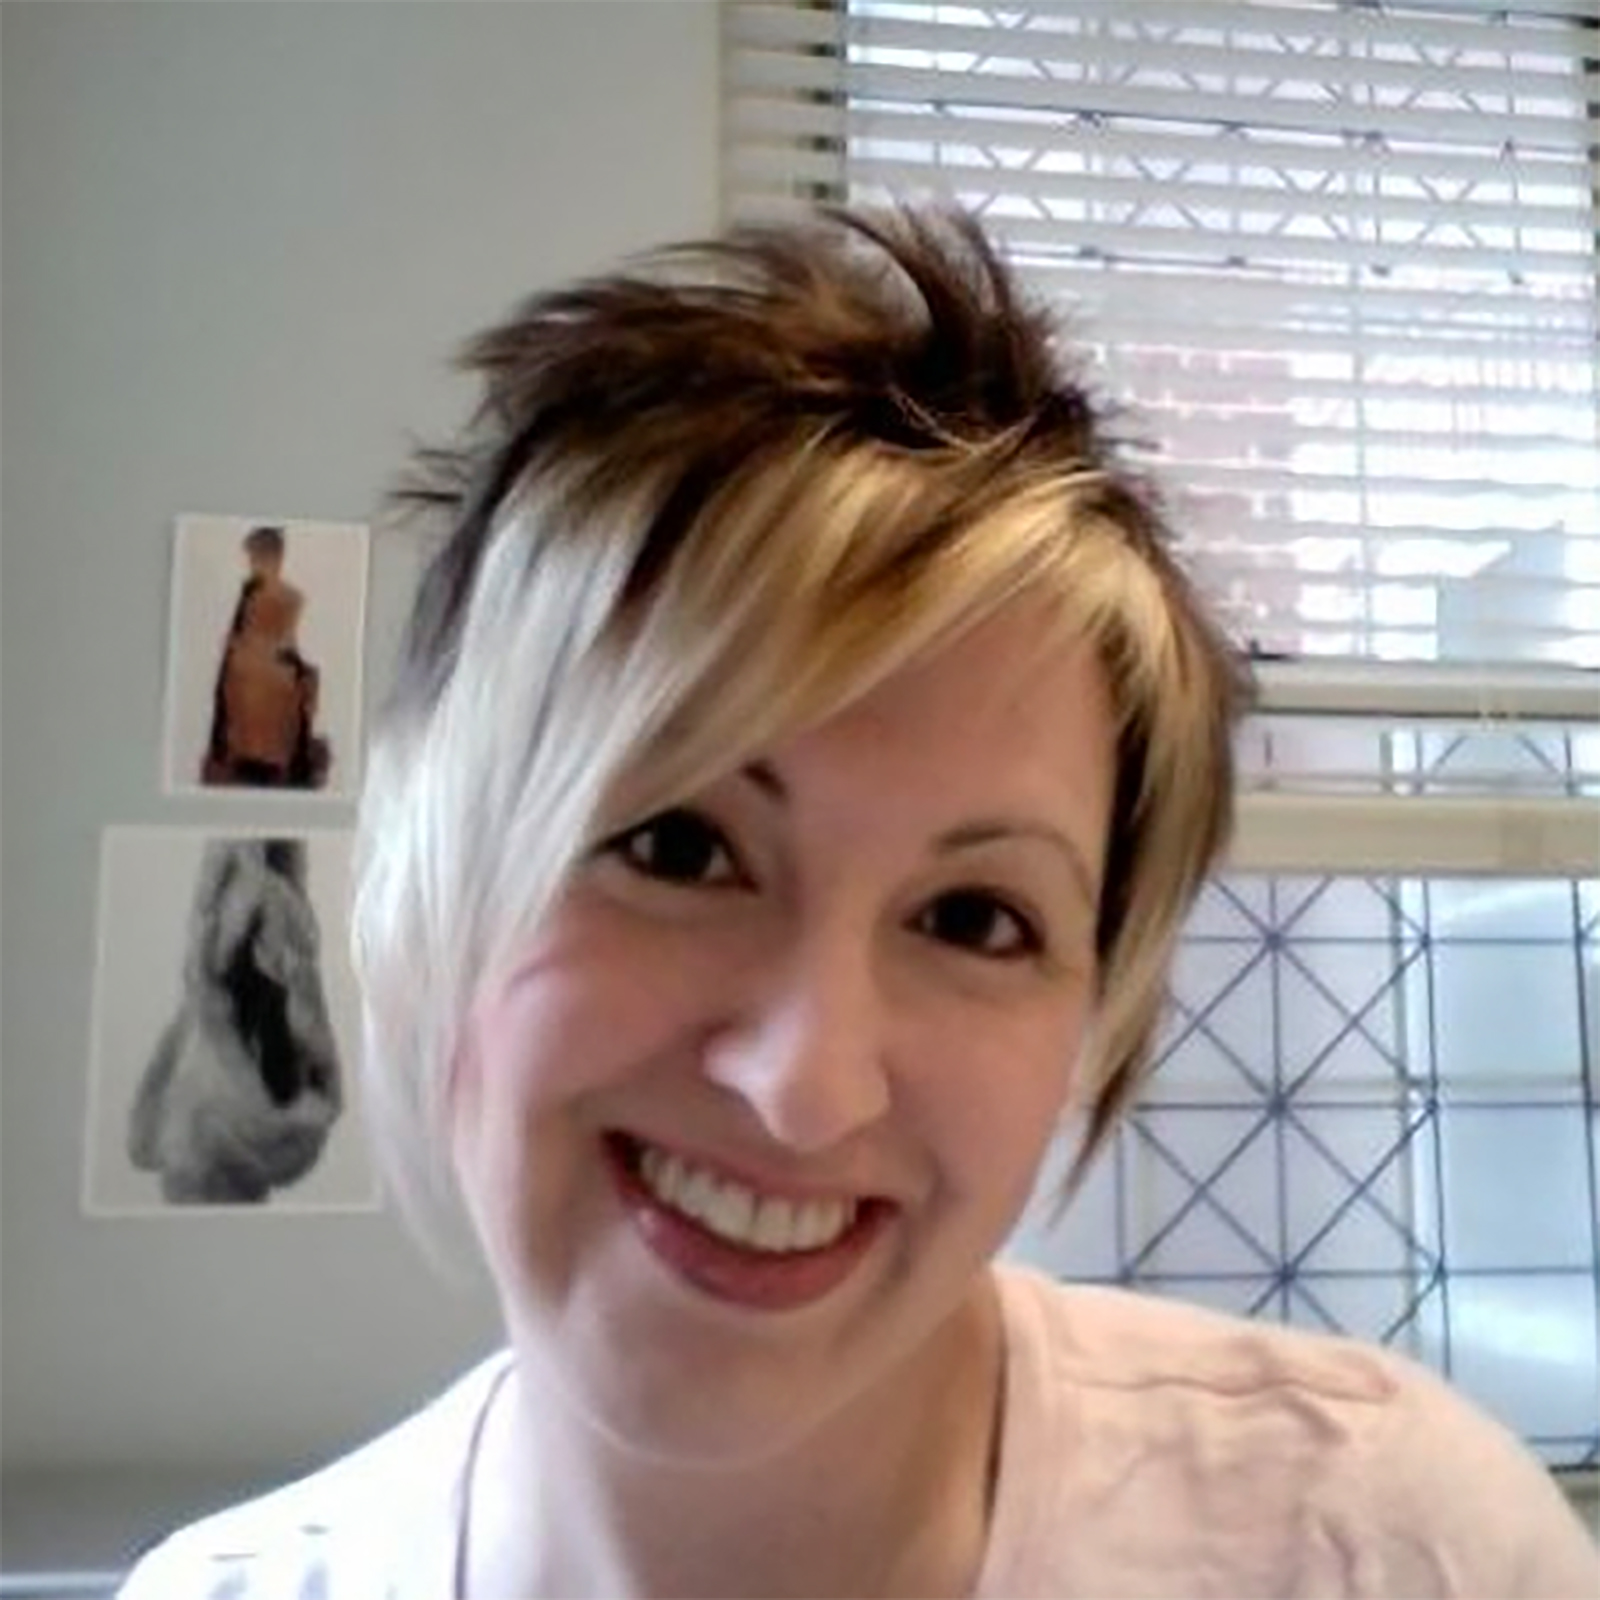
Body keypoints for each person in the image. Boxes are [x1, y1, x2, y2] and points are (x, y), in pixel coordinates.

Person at [122, 209, 1599, 1597]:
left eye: (973, 920)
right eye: (681, 846)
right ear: (433, 882)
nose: (805, 1087)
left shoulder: (1386, 1546)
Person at [200, 525, 331, 790]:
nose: (251, 563)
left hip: (252, 671)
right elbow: (286, 641)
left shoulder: (259, 593)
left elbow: (255, 637)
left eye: (253, 557)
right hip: (266, 672)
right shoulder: (288, 596)